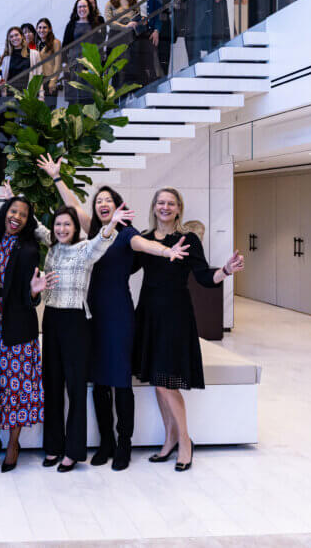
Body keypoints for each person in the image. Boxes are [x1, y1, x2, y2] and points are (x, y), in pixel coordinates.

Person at [37, 154, 189, 471]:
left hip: (119, 315)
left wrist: (168, 250)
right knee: (99, 382)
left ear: (118, 206)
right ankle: (105, 442)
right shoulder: (93, 233)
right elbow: (72, 203)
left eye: (109, 200)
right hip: (90, 317)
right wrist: (56, 177)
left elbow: (149, 247)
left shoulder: (127, 235)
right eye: (99, 201)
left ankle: (123, 444)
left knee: (120, 381)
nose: (102, 204)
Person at [135, 188, 244, 471]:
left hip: (175, 314)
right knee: (158, 381)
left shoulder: (189, 239)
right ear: (154, 206)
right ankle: (170, 439)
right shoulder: (145, 239)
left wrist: (226, 271)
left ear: (179, 208)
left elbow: (204, 277)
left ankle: (185, 440)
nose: (165, 207)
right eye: (161, 202)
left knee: (166, 381)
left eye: (171, 203)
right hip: (149, 313)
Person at [38, 204, 129, 471]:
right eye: (58, 224)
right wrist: (13, 197)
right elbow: (36, 227)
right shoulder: (52, 247)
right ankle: (53, 446)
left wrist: (112, 222)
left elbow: (102, 240)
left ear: (75, 228)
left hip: (76, 320)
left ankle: (73, 451)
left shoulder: (85, 249)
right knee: (51, 386)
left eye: (67, 224)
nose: (62, 229)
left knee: (75, 388)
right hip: (51, 318)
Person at [0, 195, 48, 472]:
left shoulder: (29, 248)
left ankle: (14, 443)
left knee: (15, 388)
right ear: (5, 213)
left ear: (29, 221)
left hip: (15, 326)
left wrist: (32, 292)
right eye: (13, 210)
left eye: (23, 214)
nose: (16, 216)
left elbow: (27, 292)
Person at [62, 0, 105, 101]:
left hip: (91, 64)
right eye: (80, 7)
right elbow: (65, 46)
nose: (82, 9)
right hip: (75, 64)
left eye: (84, 6)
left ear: (89, 8)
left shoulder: (95, 23)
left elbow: (100, 44)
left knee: (91, 96)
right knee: (75, 97)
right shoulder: (71, 24)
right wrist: (65, 64)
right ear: (76, 9)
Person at [104, 0, 141, 85]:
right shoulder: (110, 3)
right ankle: (116, 100)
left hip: (130, 40)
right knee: (116, 72)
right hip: (115, 39)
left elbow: (138, 18)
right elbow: (109, 22)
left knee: (130, 70)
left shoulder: (135, 3)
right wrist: (125, 26)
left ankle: (128, 98)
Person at [149, 0, 173, 75]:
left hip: (164, 22)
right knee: (150, 56)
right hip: (151, 22)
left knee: (164, 54)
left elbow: (168, 3)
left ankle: (164, 78)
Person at [36, 18, 62, 94]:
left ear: (50, 29)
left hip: (49, 79)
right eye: (39, 27)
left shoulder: (55, 42)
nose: (42, 30)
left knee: (49, 105)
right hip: (39, 80)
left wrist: (53, 81)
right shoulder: (38, 43)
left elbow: (58, 64)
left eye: (45, 27)